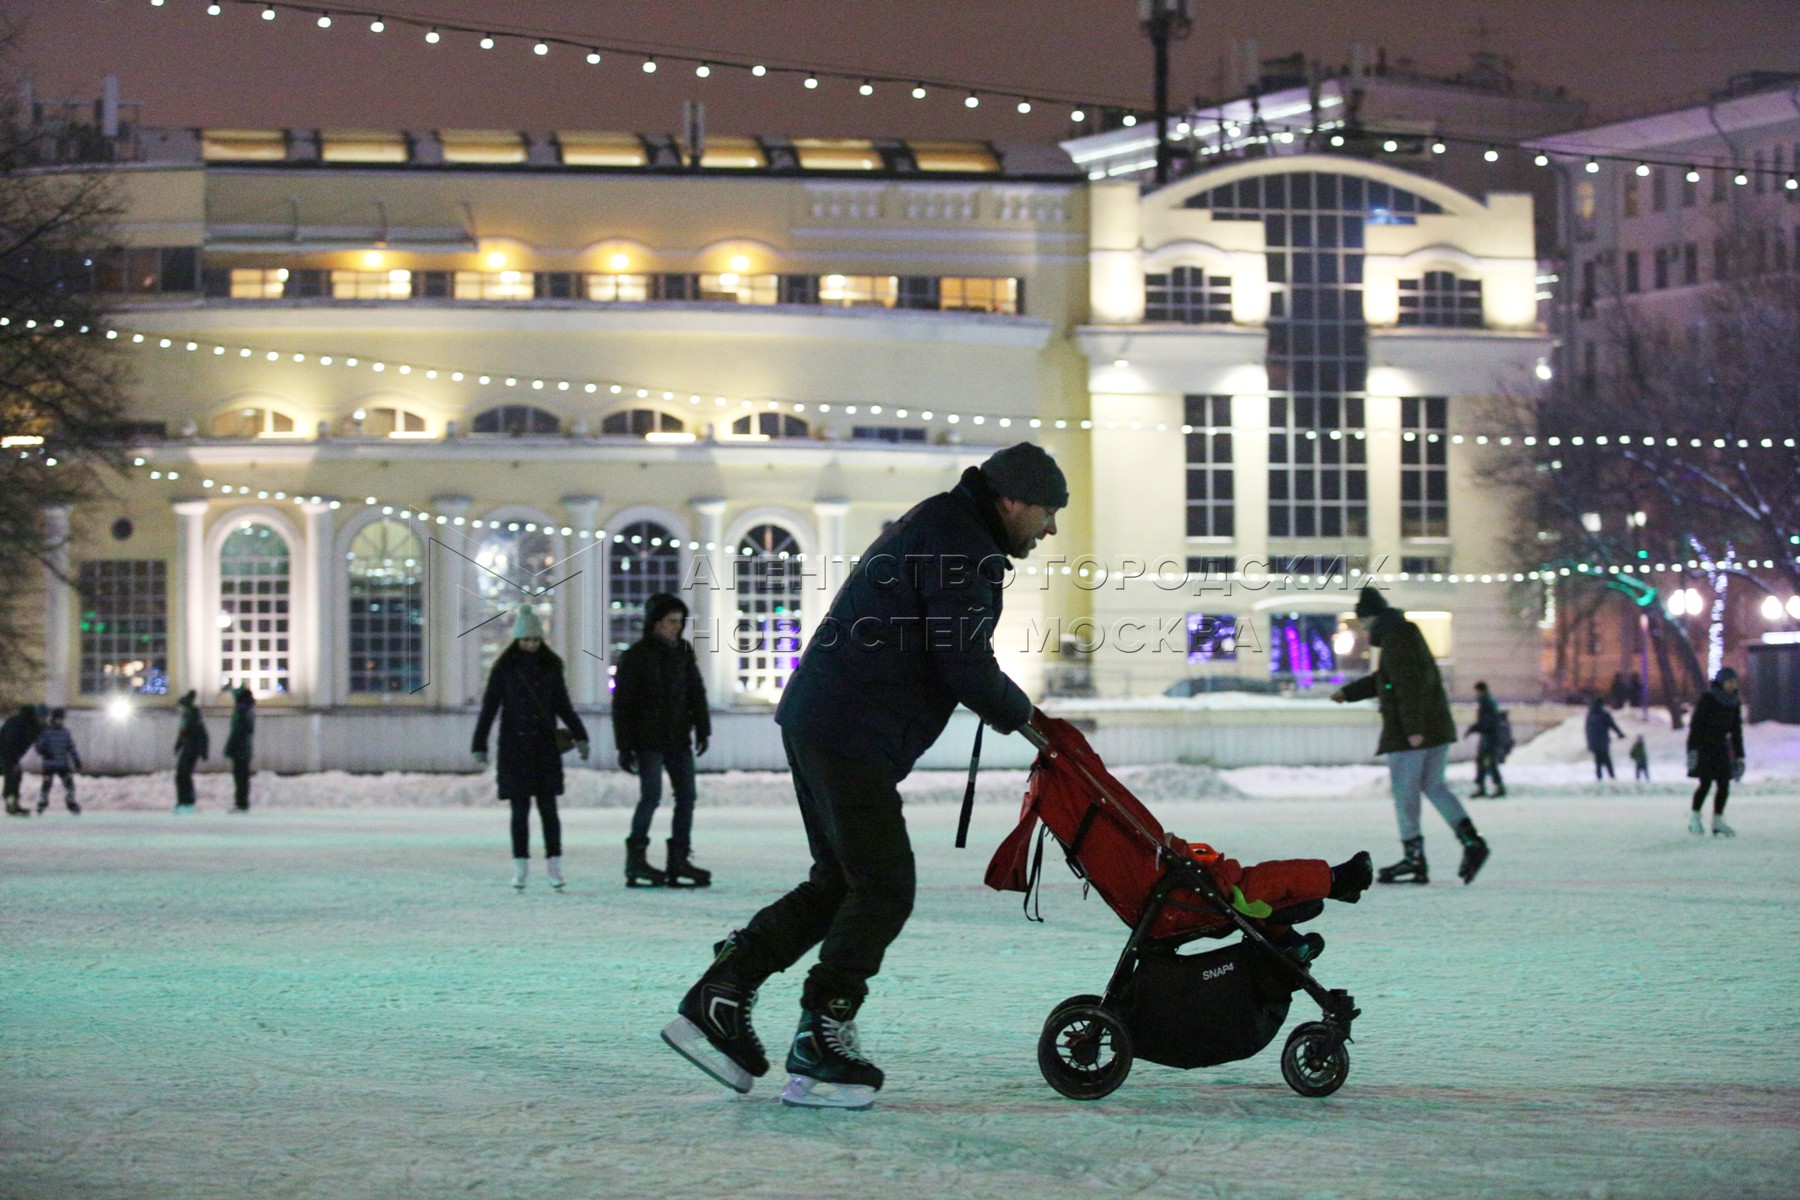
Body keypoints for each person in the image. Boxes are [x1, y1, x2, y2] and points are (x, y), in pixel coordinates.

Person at [662, 441, 1066, 1111]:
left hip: (828, 717)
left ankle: (721, 994)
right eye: (1048, 512)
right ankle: (822, 1036)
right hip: (848, 723)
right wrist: (1027, 718)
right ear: (1013, 501)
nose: (1050, 529)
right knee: (882, 885)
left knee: (841, 882)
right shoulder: (959, 540)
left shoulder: (946, 524)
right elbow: (959, 661)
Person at [1331, 585, 1490, 888]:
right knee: (1434, 785)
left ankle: (1414, 858)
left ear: (1373, 617)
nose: (1364, 628)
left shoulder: (1396, 639)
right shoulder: (1404, 634)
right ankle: (1472, 842)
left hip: (1411, 732)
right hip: (1435, 727)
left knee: (1406, 795)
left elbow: (1407, 684)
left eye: (1363, 622)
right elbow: (1390, 679)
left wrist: (1413, 728)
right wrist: (1350, 692)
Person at [472, 605, 590, 891]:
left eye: (535, 640)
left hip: (544, 749)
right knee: (519, 811)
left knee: (549, 810)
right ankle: (521, 867)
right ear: (517, 640)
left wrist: (580, 735)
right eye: (526, 640)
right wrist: (479, 743)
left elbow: (563, 705)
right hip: (514, 749)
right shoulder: (504, 669)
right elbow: (489, 708)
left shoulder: (551, 668)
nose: (531, 645)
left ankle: (554, 867)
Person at [612, 592, 712, 889]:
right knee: (651, 797)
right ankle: (636, 861)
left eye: (680, 622)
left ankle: (678, 859)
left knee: (686, 798)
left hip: (679, 737)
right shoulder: (635, 656)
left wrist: (703, 728)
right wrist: (624, 746)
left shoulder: (683, 652)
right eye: (671, 622)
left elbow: (696, 691)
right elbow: (623, 704)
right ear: (655, 623)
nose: (677, 627)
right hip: (648, 740)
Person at [1686, 667, 1744, 837]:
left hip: (1721, 747)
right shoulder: (1708, 698)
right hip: (1705, 746)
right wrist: (1692, 750)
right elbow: (1696, 726)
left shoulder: (1734, 702)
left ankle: (1718, 820)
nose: (1733, 685)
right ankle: (1695, 818)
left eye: (1735, 682)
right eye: (1730, 682)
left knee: (1724, 784)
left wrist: (1740, 755)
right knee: (1705, 783)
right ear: (1722, 682)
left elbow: (1736, 731)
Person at [32, 708, 82, 814]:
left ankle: (70, 800)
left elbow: (71, 747)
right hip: (49, 764)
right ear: (53, 719)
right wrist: (44, 751)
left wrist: (76, 760)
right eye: (58, 719)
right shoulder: (46, 732)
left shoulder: (65, 732)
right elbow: (38, 746)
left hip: (62, 763)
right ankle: (43, 800)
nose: (60, 721)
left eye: (61, 719)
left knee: (69, 783)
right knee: (47, 783)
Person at [1465, 681, 1506, 798]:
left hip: (1489, 738)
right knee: (1483, 762)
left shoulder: (1485, 702)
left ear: (1479, 690)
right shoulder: (1488, 701)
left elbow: (1486, 722)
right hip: (1489, 737)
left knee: (1488, 763)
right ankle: (1484, 787)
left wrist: (1474, 728)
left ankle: (1495, 787)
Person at [1, 704, 44, 817]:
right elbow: (8, 741)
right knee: (13, 776)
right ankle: (11, 803)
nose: (43, 720)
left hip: (10, 755)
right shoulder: (21, 724)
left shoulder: (32, 725)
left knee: (15, 775)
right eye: (41, 717)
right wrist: (12, 760)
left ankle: (12, 802)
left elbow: (41, 741)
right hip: (6, 753)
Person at [172, 690, 209, 812]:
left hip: (192, 750)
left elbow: (201, 735)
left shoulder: (193, 717)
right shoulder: (188, 717)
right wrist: (178, 745)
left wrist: (203, 750)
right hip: (189, 749)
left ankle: (186, 801)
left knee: (183, 775)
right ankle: (184, 800)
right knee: (182, 775)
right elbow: (183, 734)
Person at [222, 686, 256, 812]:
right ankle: (241, 802)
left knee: (241, 777)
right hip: (243, 749)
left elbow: (237, 732)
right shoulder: (246, 711)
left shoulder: (242, 712)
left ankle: (241, 803)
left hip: (241, 750)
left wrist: (230, 747)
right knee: (241, 777)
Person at [1585, 695, 1625, 780]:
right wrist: (1620, 734)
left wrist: (1589, 743)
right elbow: (1613, 725)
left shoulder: (1590, 715)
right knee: (1607, 760)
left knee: (1598, 761)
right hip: (1603, 742)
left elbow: (1587, 730)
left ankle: (1599, 777)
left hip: (1594, 743)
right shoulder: (1604, 715)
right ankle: (1612, 776)